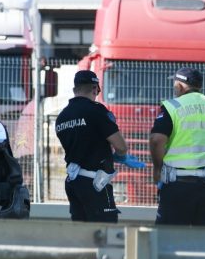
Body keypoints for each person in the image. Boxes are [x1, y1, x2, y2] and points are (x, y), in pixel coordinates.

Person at [54, 69, 143, 222]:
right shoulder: (96, 110)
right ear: (95, 89)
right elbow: (120, 146)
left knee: (81, 229)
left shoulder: (62, 117)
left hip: (73, 182)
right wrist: (121, 157)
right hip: (95, 182)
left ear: (75, 89)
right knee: (105, 229)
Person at [150, 67, 205, 226]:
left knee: (169, 236)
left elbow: (156, 140)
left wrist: (157, 169)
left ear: (179, 86)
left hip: (179, 184)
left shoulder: (172, 106)